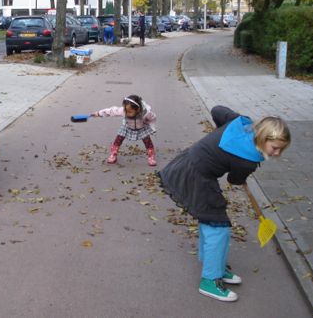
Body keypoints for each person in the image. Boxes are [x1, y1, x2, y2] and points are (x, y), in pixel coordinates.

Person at [158, 106, 290, 302]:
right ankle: (209, 280)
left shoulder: (239, 122)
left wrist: (221, 134)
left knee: (210, 222)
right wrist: (241, 172)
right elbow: (234, 181)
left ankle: (215, 267)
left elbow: (216, 110)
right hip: (197, 177)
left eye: (281, 149)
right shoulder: (247, 161)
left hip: (188, 161)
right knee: (218, 228)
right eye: (275, 148)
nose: (277, 153)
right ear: (261, 137)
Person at [91, 95, 158, 166]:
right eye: (125, 110)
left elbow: (153, 118)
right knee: (118, 139)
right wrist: (98, 113)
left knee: (147, 141)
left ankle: (151, 156)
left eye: (129, 112)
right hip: (127, 127)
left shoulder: (146, 113)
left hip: (142, 128)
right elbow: (111, 111)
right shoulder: (124, 111)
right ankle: (113, 154)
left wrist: (152, 127)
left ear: (138, 109)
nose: (126, 113)